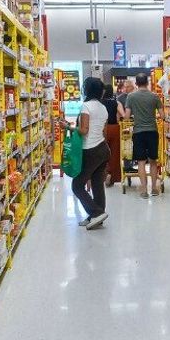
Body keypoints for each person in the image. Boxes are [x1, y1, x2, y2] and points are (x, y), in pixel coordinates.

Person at [72, 76, 110, 229]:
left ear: (86, 90)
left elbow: (84, 130)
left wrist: (68, 127)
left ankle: (96, 213)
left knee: (77, 186)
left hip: (90, 150)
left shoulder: (85, 106)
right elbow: (104, 132)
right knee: (97, 184)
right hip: (103, 148)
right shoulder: (103, 108)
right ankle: (97, 217)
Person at [124, 73, 164, 198]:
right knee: (153, 161)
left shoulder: (131, 97)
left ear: (136, 84)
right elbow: (163, 116)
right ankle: (154, 189)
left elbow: (126, 116)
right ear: (147, 83)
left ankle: (144, 190)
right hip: (152, 131)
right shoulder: (154, 96)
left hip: (138, 133)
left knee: (141, 162)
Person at [100, 82, 122, 186]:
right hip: (114, 128)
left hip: (102, 129)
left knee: (102, 153)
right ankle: (111, 175)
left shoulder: (100, 103)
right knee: (115, 153)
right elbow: (122, 114)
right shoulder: (116, 102)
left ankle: (103, 174)